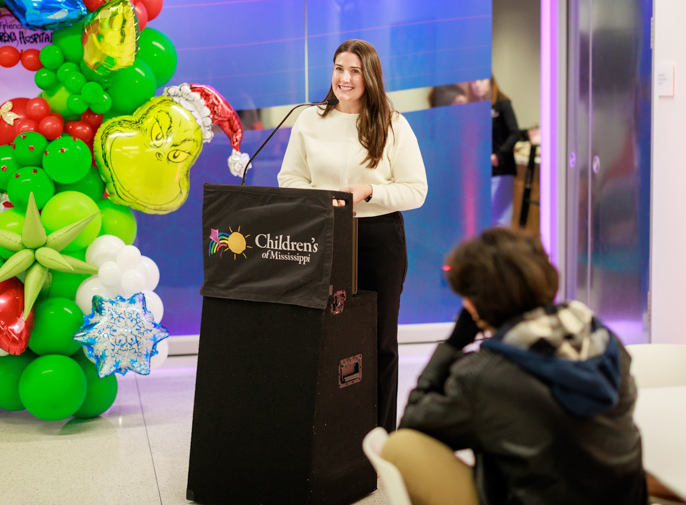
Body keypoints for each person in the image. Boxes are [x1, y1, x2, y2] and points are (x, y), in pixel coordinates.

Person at [382, 227, 648, 505]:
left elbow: (414, 422)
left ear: (474, 306)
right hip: (625, 497)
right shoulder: (602, 338)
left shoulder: (483, 373)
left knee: (400, 445)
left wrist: (451, 345)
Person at [278, 38, 428, 432]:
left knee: (379, 342)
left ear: (370, 77)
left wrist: (369, 192)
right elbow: (289, 178)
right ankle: (328, 437)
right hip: (323, 236)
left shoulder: (392, 123)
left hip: (378, 238)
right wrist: (321, 200)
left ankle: (380, 437)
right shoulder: (310, 119)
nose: (345, 78)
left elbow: (416, 190)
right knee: (324, 336)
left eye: (355, 71)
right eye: (339, 69)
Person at [469, 77, 520, 227]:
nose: (477, 85)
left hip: (501, 171)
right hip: (482, 172)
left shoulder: (502, 104)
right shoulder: (475, 108)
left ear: (491, 82)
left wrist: (498, 155)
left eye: (481, 80)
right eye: (474, 81)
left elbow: (514, 133)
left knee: (500, 220)